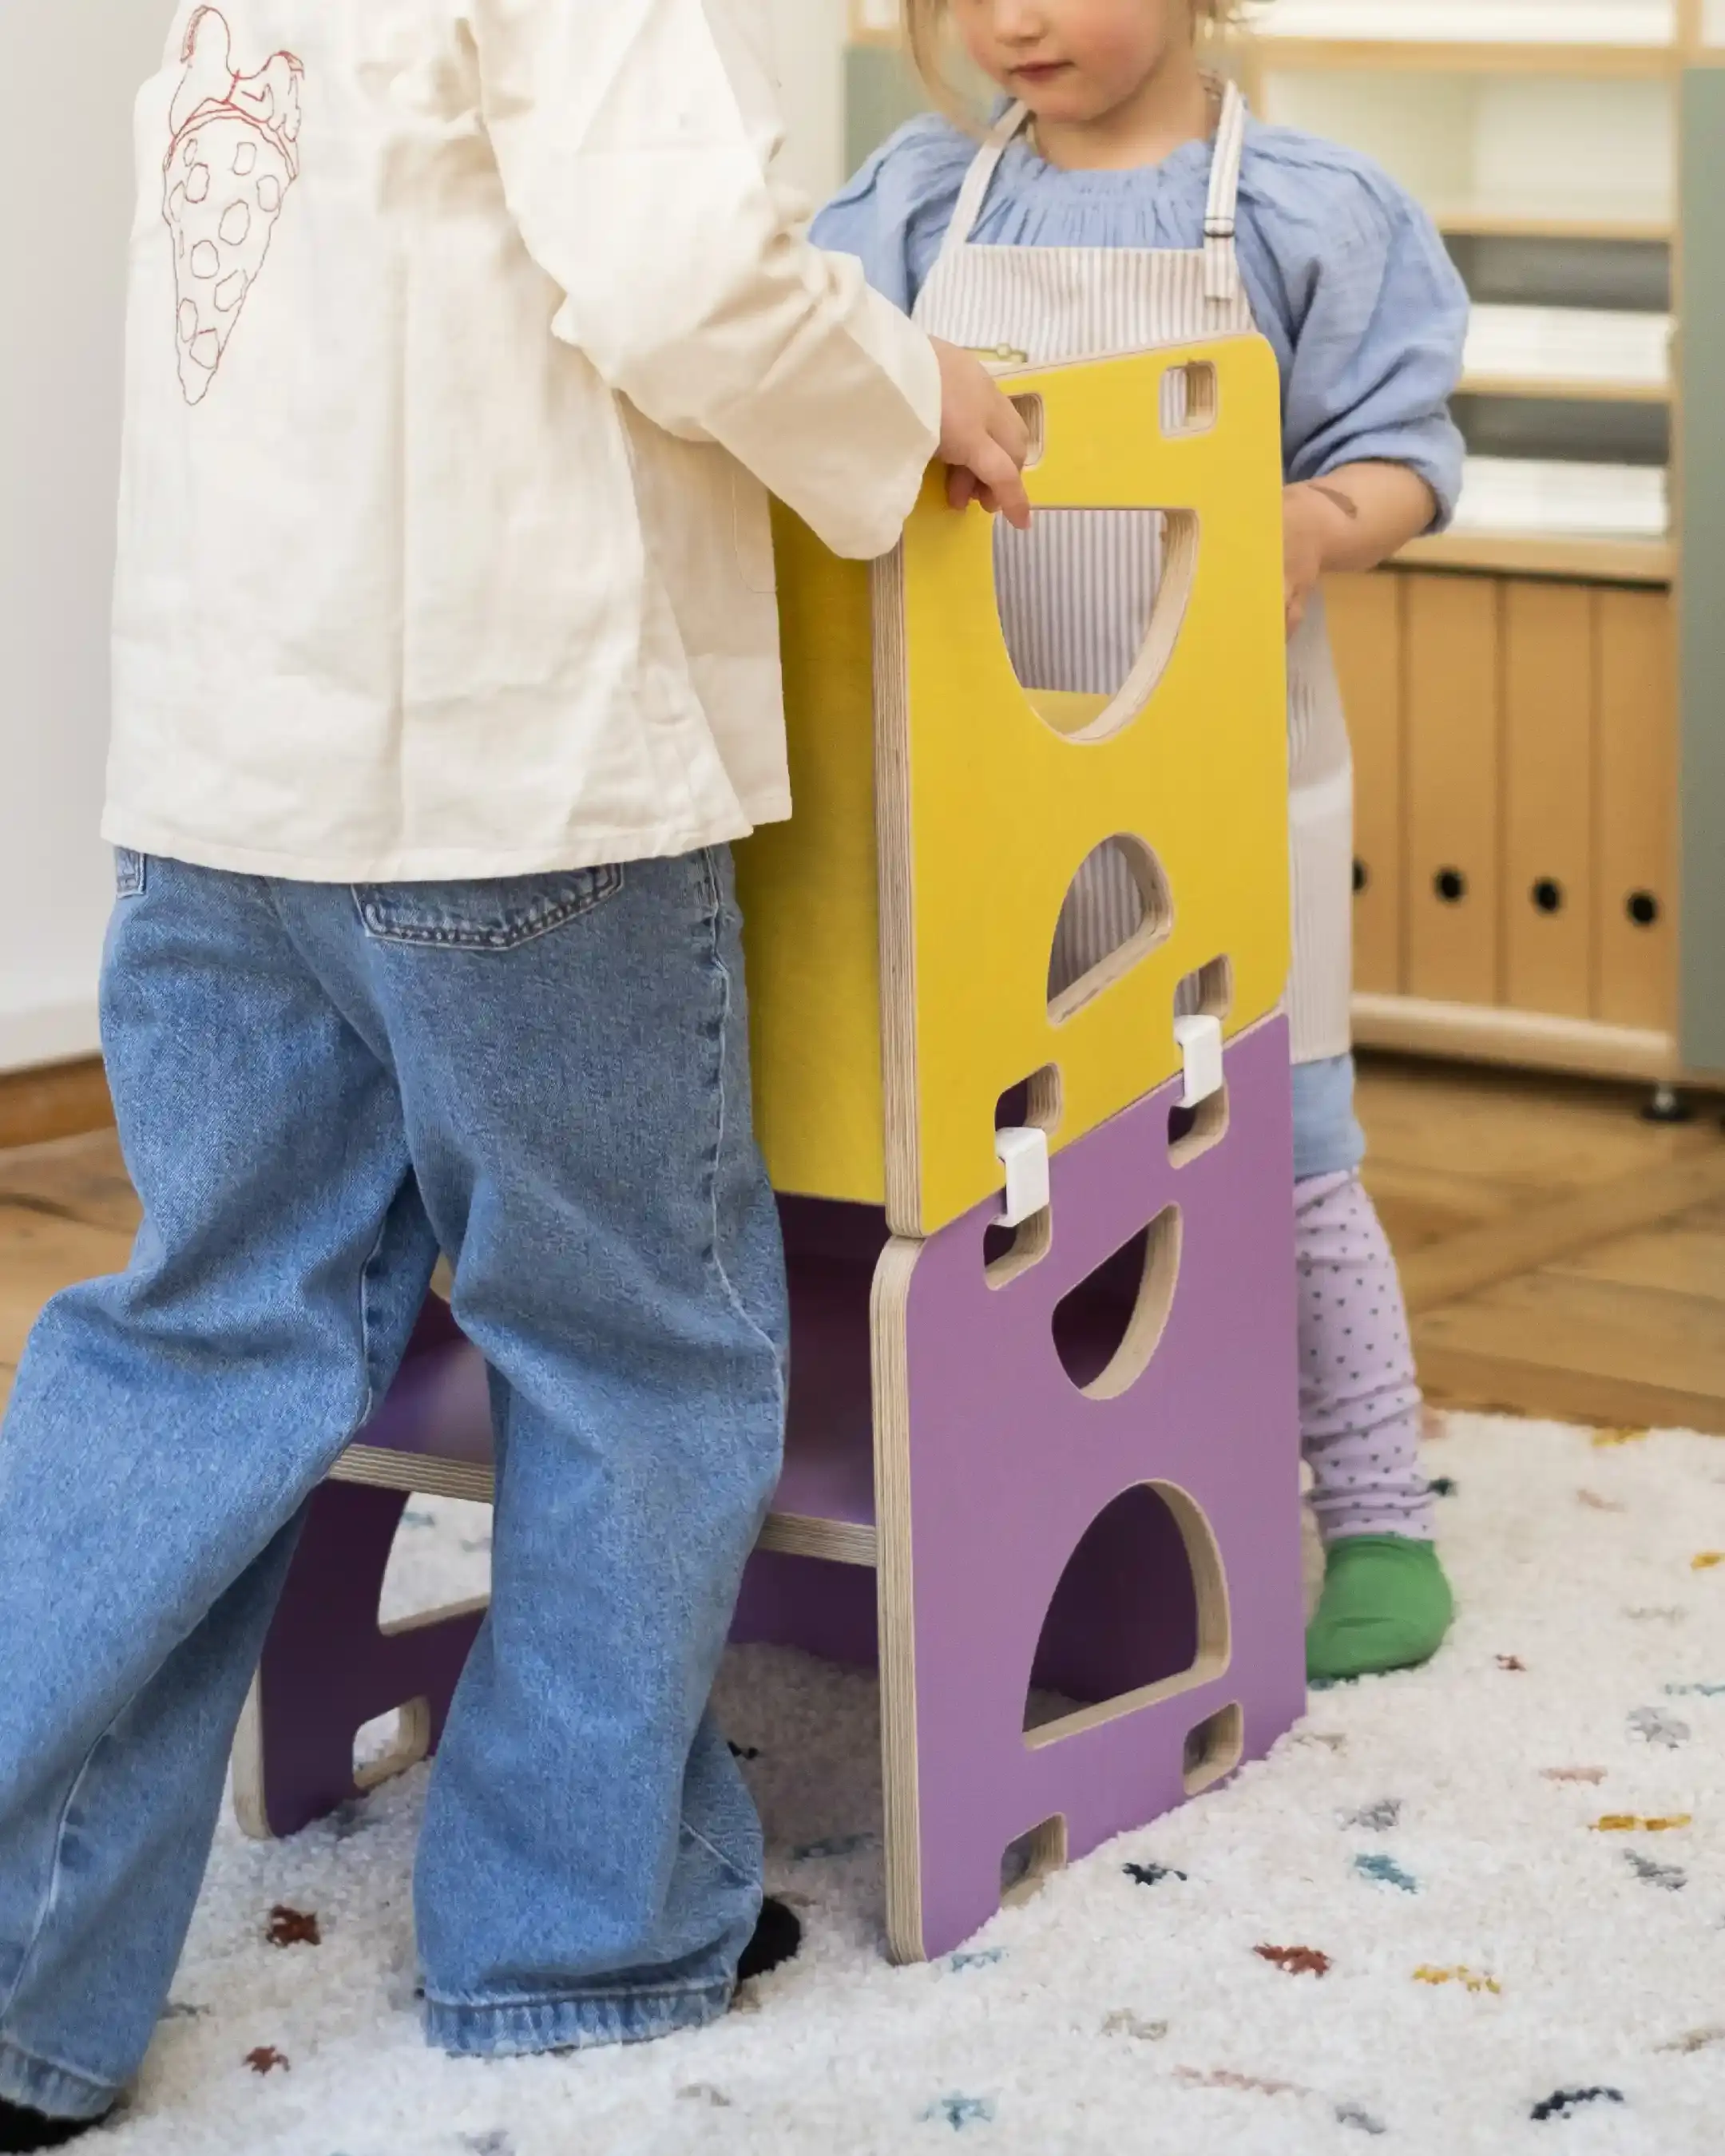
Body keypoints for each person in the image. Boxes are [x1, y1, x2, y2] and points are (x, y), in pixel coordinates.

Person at [0, 2, 1031, 2145]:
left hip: (222, 787)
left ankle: (24, 1974)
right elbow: (685, 277)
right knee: (631, 1342)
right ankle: (576, 1927)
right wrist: (910, 384)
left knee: (207, 1334)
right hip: (520, 777)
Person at [814, 0, 1468, 1686]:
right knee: (1018, 1154)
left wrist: (1314, 519)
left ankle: (1380, 1517)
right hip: (987, 792)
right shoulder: (916, 201)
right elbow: (818, 394)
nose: (1011, 20)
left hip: (1229, 786)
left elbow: (1404, 454)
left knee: (1287, 1143)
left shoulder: (1313, 211)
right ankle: (1057, 1492)